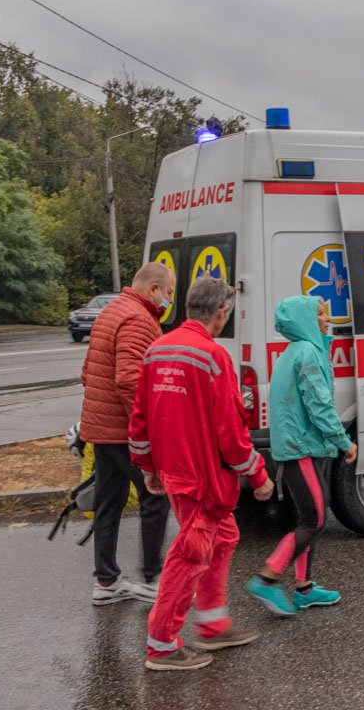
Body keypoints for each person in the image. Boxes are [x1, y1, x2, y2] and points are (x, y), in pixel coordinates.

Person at [129, 277, 275, 672]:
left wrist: (148, 467)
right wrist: (258, 476)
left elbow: (140, 420)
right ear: (221, 313)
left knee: (224, 537)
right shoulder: (212, 356)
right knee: (190, 555)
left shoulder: (156, 350)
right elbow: (232, 432)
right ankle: (162, 644)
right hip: (204, 477)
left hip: (175, 471)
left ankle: (212, 624)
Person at [246, 296, 356, 616]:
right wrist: (344, 442)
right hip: (302, 449)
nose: (327, 318)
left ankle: (305, 589)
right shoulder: (308, 353)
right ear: (306, 319)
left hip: (305, 447)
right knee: (316, 519)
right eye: (320, 314)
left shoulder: (299, 350)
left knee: (309, 519)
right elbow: (319, 406)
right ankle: (267, 579)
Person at [78, 261, 175, 606]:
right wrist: (147, 433)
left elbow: (87, 372)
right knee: (155, 496)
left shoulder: (111, 312)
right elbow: (130, 380)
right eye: (169, 292)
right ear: (153, 289)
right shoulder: (137, 319)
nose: (169, 300)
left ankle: (106, 581)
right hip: (124, 431)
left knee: (109, 502)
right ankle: (151, 577)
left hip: (101, 429)